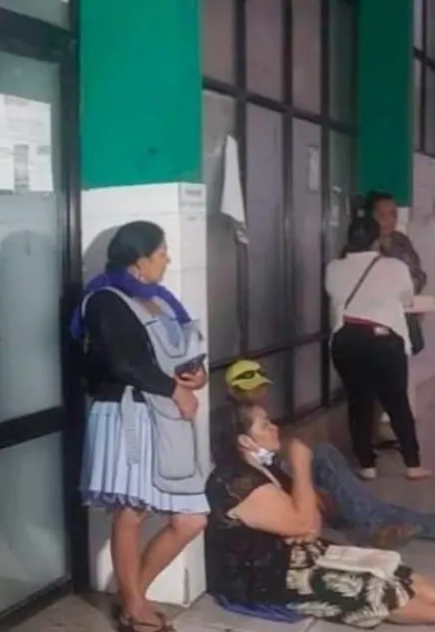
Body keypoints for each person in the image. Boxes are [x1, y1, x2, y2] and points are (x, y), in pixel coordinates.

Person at [73, 221, 209, 632]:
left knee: (191, 518)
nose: (168, 258)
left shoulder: (161, 300)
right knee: (130, 511)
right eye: (161, 252)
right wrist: (174, 389)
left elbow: (184, 350)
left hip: (164, 415)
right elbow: (122, 362)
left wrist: (196, 376)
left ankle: (133, 596)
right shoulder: (104, 302)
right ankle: (134, 606)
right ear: (138, 262)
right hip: (127, 416)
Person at [206, 402, 435, 628]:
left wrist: (301, 524)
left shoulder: (266, 468)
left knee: (389, 568)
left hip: (297, 554)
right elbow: (304, 523)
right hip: (267, 576)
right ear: (245, 441)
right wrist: (301, 467)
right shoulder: (236, 481)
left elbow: (312, 524)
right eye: (265, 425)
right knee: (374, 588)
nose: (275, 428)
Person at [224, 359, 435, 549]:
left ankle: (378, 522)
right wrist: (303, 475)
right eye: (250, 390)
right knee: (342, 480)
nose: (259, 394)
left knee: (370, 505)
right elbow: (264, 467)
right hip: (271, 481)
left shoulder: (261, 415)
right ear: (233, 391)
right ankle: (373, 526)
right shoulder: (235, 423)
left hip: (280, 470)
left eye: (261, 388)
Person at [325, 216, 430, 481]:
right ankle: (413, 464)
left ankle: (367, 465)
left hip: (346, 340)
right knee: (396, 401)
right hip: (383, 339)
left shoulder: (334, 268)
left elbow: (334, 295)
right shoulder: (394, 266)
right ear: (376, 239)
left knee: (359, 402)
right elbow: (406, 297)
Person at [368, 191, 427, 441]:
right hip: (374, 321)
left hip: (402, 317)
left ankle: (390, 425)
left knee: (398, 375)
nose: (389, 220)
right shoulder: (363, 245)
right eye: (382, 215)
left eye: (393, 214)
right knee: (378, 376)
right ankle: (376, 429)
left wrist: (412, 288)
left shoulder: (401, 241)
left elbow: (419, 274)